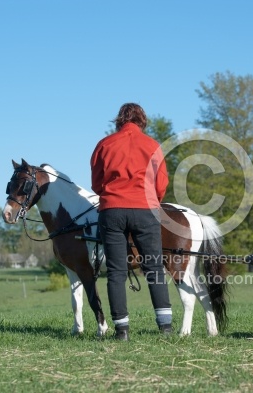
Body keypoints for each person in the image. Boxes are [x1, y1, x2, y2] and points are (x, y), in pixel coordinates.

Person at [90, 103, 172, 341]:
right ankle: (165, 328)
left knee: (116, 271)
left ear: (119, 120)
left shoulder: (104, 144)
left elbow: (97, 184)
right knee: (154, 268)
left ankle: (122, 331)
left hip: (112, 210)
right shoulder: (153, 145)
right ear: (142, 120)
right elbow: (161, 184)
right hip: (145, 209)